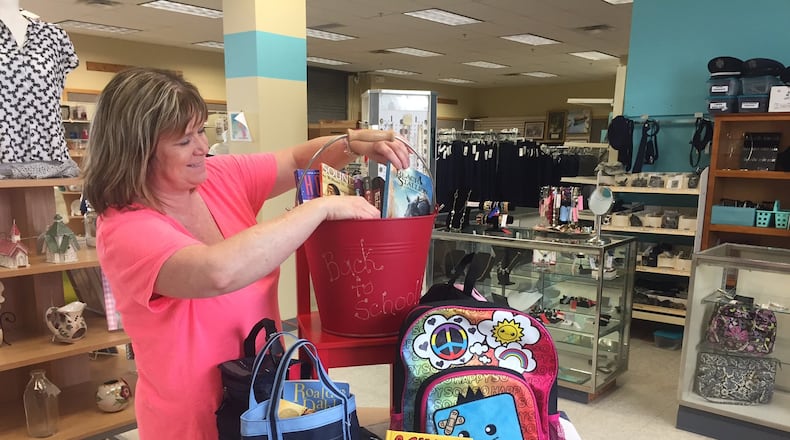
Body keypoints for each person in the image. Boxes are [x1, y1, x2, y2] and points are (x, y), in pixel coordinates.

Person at [82, 67, 410, 439]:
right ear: (137, 151)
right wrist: (320, 208)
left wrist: (351, 144)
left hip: (262, 402)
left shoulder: (217, 177)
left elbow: (292, 161)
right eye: (184, 140)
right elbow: (217, 272)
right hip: (193, 423)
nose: (202, 147)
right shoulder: (125, 228)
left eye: (201, 131)